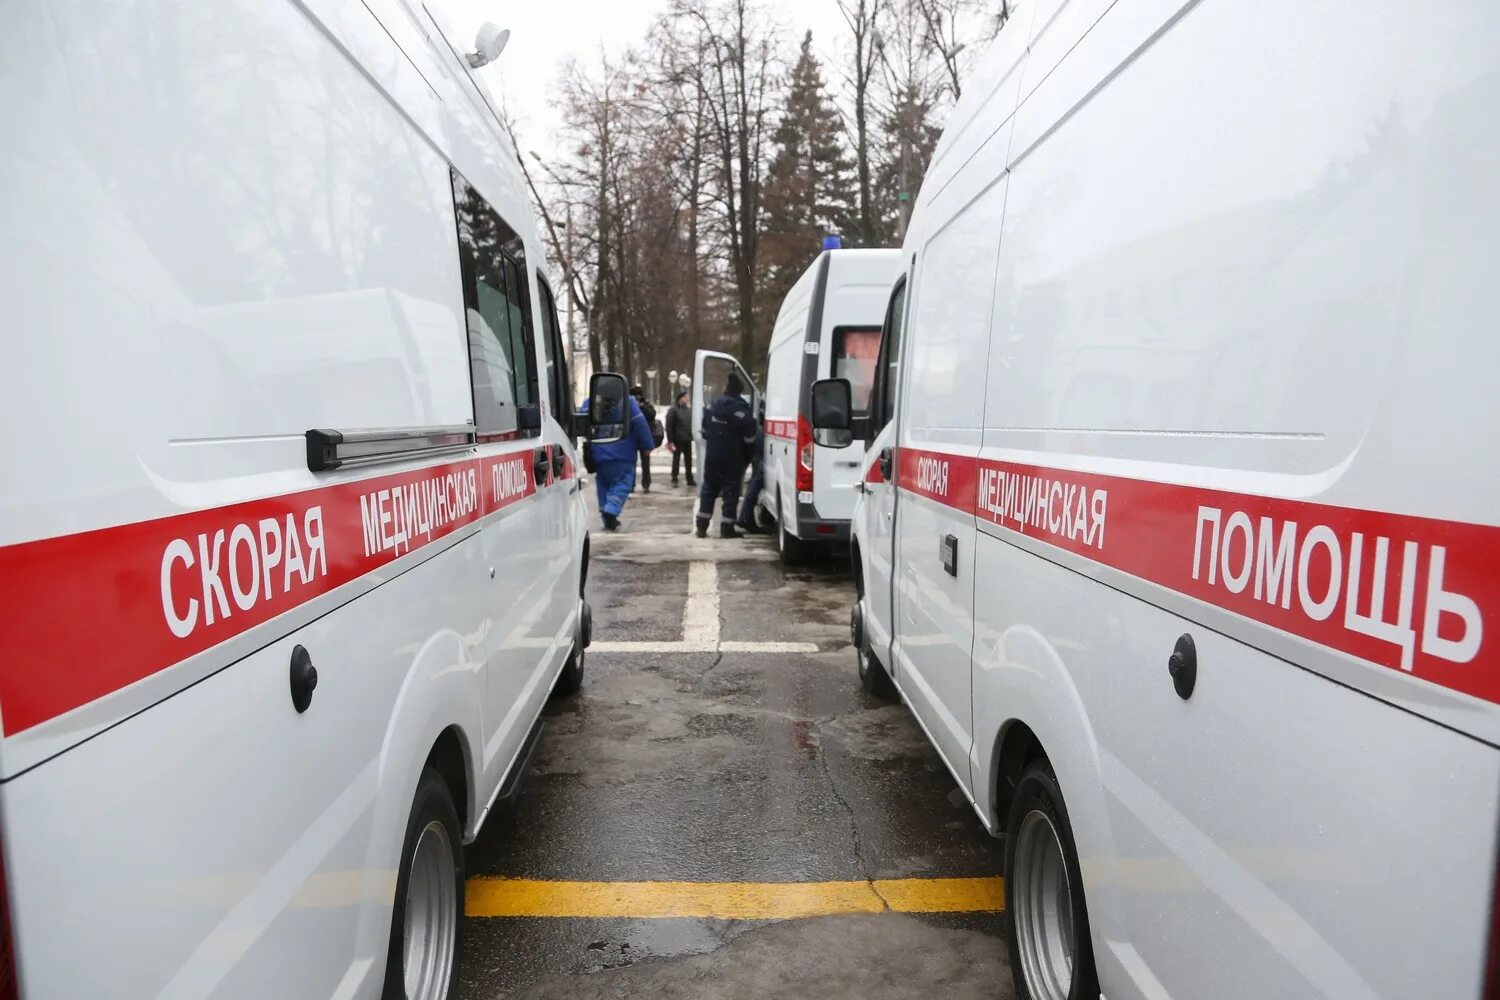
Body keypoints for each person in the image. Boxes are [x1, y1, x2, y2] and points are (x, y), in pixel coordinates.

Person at [579, 391, 656, 531]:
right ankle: (611, 510)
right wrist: (648, 446)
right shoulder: (628, 402)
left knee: (603, 484)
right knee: (623, 481)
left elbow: (581, 420)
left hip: (599, 453)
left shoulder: (590, 402)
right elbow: (640, 423)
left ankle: (607, 517)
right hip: (623, 452)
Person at [696, 373, 757, 539]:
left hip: (713, 456)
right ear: (739, 391)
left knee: (709, 487)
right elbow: (750, 437)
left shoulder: (712, 405)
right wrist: (746, 457)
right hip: (732, 456)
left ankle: (701, 526)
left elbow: (705, 431)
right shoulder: (741, 409)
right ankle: (727, 528)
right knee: (731, 492)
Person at [736, 413, 766, 534]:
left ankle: (745, 516)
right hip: (759, 444)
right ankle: (746, 517)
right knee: (757, 481)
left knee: (755, 481)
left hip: (756, 444)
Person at [630, 385, 660, 493]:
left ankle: (646, 484)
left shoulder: (645, 404)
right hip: (632, 438)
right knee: (631, 463)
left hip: (644, 438)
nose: (636, 398)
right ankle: (630, 484)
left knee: (646, 463)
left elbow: (652, 415)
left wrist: (641, 406)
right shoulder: (627, 405)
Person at [664, 389, 696, 488]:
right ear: (680, 398)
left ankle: (689, 479)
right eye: (685, 397)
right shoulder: (673, 410)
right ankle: (674, 478)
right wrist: (670, 441)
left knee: (688, 460)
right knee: (676, 460)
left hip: (687, 439)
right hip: (677, 440)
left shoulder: (689, 410)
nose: (687, 399)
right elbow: (669, 426)